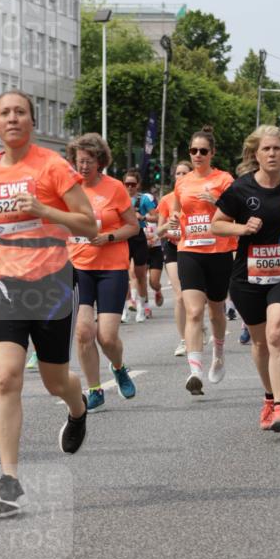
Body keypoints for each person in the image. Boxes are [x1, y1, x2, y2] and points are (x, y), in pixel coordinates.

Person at [0, 90, 97, 517]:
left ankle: (77, 406)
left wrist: (45, 208)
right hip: (4, 283)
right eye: (5, 113)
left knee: (55, 381)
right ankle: (9, 482)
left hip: (51, 285)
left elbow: (88, 223)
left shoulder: (53, 166)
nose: (12, 118)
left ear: (32, 120)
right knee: (6, 378)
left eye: (20, 112)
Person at [211, 124, 280, 432]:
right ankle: (269, 397)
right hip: (248, 276)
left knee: (276, 334)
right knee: (259, 342)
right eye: (266, 149)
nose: (272, 153)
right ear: (256, 154)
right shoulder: (241, 188)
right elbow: (217, 224)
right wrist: (242, 229)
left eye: (277, 149)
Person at [66, 134, 140, 412]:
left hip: (111, 269)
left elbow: (133, 226)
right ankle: (95, 389)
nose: (83, 166)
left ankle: (118, 367)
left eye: (89, 161)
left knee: (106, 337)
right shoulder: (69, 189)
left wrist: (108, 237)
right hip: (79, 268)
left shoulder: (115, 188)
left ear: (100, 161)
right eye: (79, 161)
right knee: (83, 332)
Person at [171, 126, 236, 395]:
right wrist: (174, 221)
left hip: (219, 251)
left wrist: (217, 201)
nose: (197, 155)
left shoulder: (224, 179)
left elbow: (237, 212)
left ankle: (218, 353)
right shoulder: (183, 182)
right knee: (194, 311)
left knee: (215, 311)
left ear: (212, 153)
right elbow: (177, 211)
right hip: (189, 250)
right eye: (193, 150)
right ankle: (195, 371)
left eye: (203, 151)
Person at [156, 160, 192, 356]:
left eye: (185, 173)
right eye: (178, 173)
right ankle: (184, 340)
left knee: (194, 296)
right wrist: (168, 225)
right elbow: (158, 231)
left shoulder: (196, 197)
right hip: (172, 247)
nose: (181, 176)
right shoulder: (167, 199)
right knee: (179, 295)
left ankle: (195, 324)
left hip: (193, 247)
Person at [122, 170, 156, 322]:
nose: (130, 187)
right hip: (123, 237)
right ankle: (124, 309)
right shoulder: (119, 197)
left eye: (133, 184)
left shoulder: (144, 199)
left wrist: (143, 217)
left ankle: (142, 307)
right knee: (122, 275)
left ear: (138, 185)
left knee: (140, 274)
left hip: (138, 237)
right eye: (127, 184)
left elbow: (156, 216)